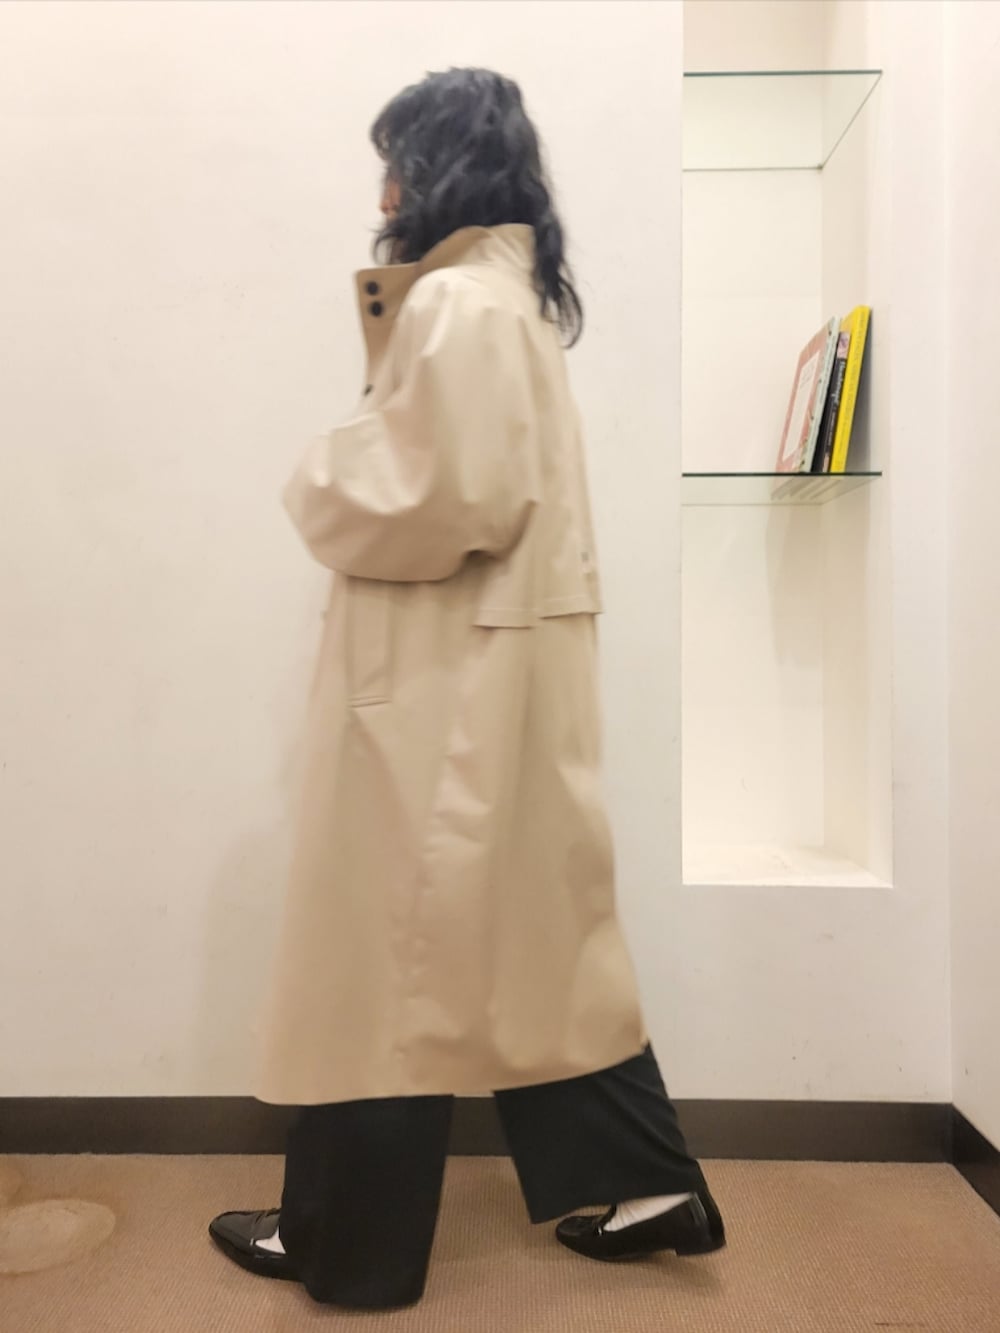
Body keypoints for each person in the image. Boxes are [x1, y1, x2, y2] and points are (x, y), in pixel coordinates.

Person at [209, 67, 725, 1311]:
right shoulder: (506, 302)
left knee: (391, 969)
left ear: (434, 167)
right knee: (529, 947)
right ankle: (649, 1185)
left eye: (393, 161)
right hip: (491, 679)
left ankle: (346, 1247)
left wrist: (316, 471)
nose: (383, 190)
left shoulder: (456, 306)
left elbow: (442, 501)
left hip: (444, 694)